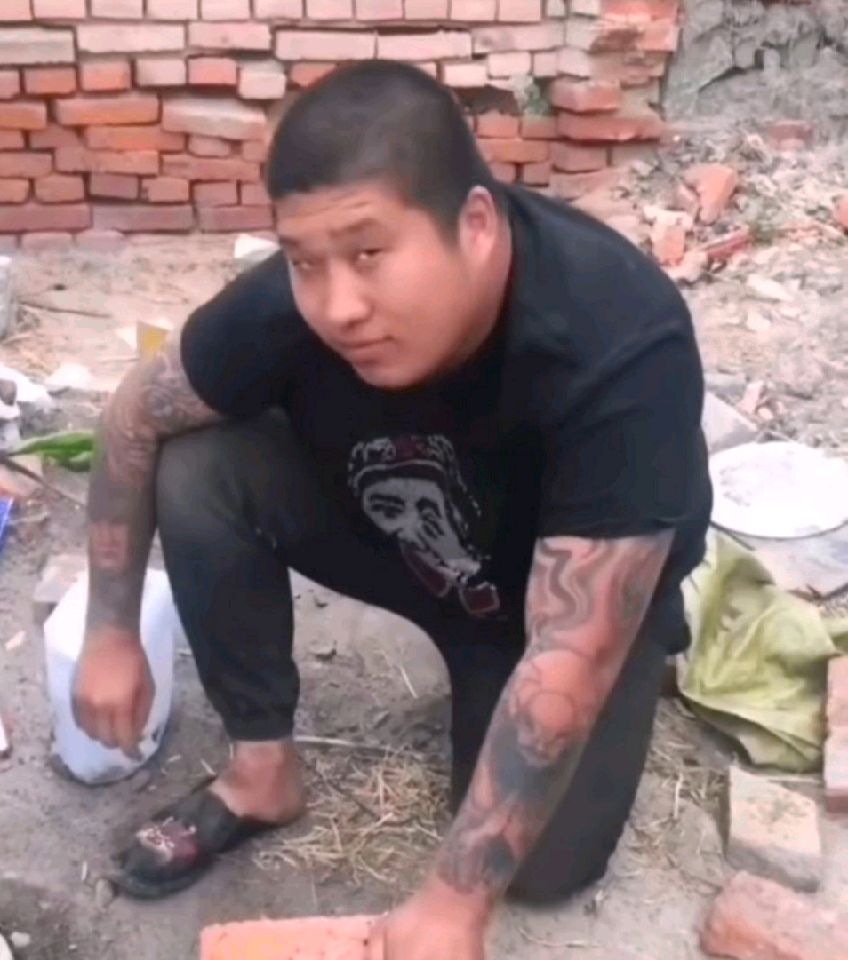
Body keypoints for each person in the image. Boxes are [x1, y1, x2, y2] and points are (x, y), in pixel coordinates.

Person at [72, 60, 711, 960]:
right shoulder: (292, 302)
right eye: (304, 261)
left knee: (540, 868)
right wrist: (109, 630)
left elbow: (572, 646)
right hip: (414, 544)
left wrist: (451, 908)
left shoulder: (617, 338)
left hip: (544, 604)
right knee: (201, 462)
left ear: (475, 225)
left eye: (369, 254)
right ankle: (261, 772)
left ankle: (605, 686)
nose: (338, 306)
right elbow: (134, 416)